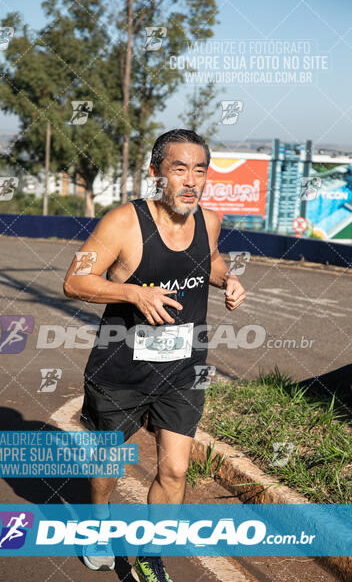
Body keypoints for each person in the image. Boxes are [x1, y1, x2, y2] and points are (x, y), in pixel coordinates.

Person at [63, 129, 246, 581]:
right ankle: (99, 521)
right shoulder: (124, 223)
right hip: (120, 370)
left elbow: (213, 260)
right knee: (108, 466)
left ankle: (150, 554)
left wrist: (227, 280)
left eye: (199, 170)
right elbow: (75, 280)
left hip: (183, 370)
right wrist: (132, 293)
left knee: (177, 468)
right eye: (178, 169)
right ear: (155, 175)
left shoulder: (209, 221)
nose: (190, 181)